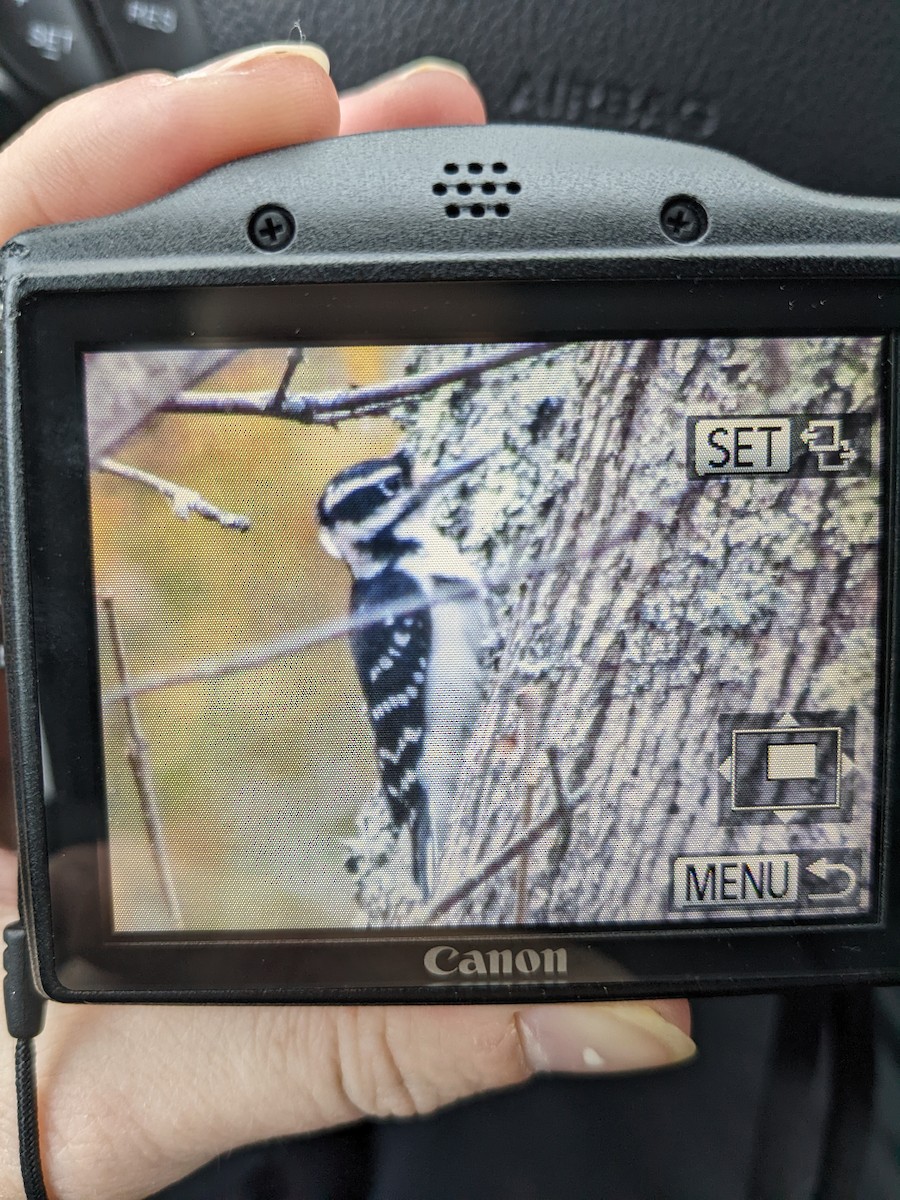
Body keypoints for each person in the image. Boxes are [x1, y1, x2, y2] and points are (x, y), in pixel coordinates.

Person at [0, 43, 695, 1200]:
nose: (411, 496)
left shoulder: (408, 578)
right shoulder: (393, 596)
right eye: (387, 498)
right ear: (367, 536)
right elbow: (425, 738)